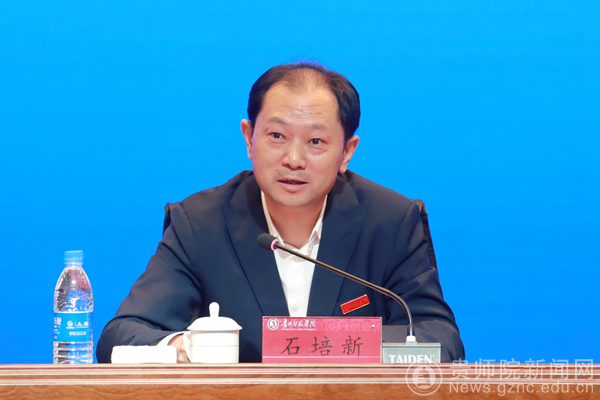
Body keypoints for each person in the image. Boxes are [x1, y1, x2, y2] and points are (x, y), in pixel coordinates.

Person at [97, 61, 464, 363]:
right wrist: (186, 348)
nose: (293, 159)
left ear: (347, 152)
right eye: (276, 136)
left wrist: (333, 347)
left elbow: (440, 339)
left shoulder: (389, 222)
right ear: (249, 138)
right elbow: (121, 336)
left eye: (316, 141)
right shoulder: (201, 223)